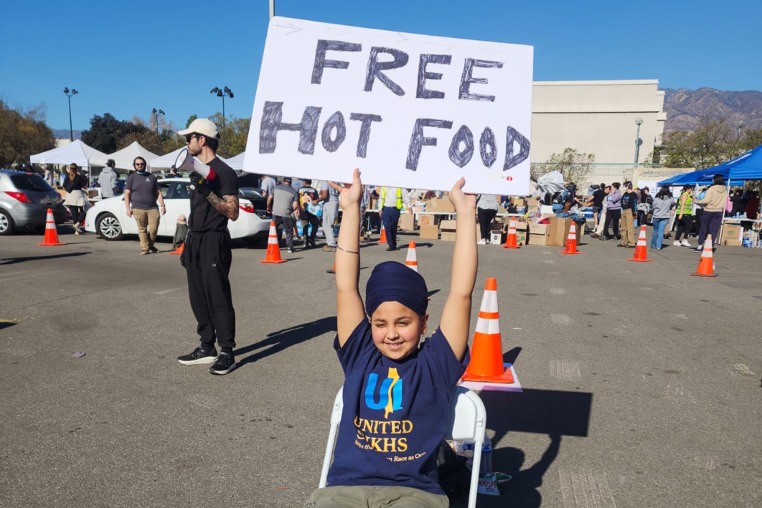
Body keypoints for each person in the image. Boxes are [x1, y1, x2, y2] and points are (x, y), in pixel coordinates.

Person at [304, 168, 477, 508]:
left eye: (403, 322)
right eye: (380, 323)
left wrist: (466, 215)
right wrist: (351, 208)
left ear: (424, 321)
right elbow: (345, 285)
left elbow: (461, 293)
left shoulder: (437, 363)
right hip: (346, 491)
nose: (392, 333)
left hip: (414, 494)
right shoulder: (360, 355)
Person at [175, 118, 240, 376]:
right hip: (196, 238)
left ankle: (227, 351)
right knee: (197, 295)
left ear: (201, 140)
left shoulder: (224, 172)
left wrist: (207, 191)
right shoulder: (197, 169)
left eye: (188, 138)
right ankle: (206, 346)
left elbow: (232, 212)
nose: (186, 143)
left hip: (215, 238)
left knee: (217, 295)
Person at [124, 157, 166, 255]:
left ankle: (150, 245)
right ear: (134, 166)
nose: (140, 166)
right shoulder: (131, 177)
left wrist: (162, 205)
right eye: (137, 164)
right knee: (142, 229)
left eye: (142, 164)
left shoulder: (151, 177)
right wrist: (127, 208)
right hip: (137, 207)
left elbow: (158, 192)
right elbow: (127, 193)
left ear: (145, 165)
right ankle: (145, 248)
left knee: (153, 229)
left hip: (152, 207)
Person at [695, 174, 728, 250]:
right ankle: (710, 246)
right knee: (714, 230)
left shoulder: (711, 189)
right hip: (719, 211)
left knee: (704, 228)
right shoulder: (725, 189)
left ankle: (700, 245)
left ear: (715, 180)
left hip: (708, 210)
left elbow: (706, 200)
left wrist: (697, 201)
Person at [268, 177, 300, 253]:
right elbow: (295, 205)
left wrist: (268, 207)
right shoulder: (294, 191)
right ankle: (290, 247)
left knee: (273, 230)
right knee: (288, 231)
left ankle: (272, 246)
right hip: (287, 214)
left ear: (283, 181)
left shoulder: (276, 188)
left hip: (275, 213)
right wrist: (291, 210)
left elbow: (269, 198)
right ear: (290, 182)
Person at [378, 186, 411, 251]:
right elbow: (381, 197)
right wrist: (380, 208)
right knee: (387, 226)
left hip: (395, 209)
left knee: (393, 226)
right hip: (386, 208)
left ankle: (393, 243)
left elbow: (405, 195)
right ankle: (391, 245)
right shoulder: (384, 186)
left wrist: (409, 205)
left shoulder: (399, 185)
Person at [62, 163, 89, 235]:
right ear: (76, 169)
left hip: (70, 195)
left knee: (74, 213)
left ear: (70, 168)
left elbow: (64, 186)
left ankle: (77, 230)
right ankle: (77, 225)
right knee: (86, 209)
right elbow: (85, 186)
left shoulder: (67, 176)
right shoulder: (79, 176)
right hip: (78, 194)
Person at [318, 180, 341, 252]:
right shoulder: (335, 181)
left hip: (329, 202)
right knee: (330, 224)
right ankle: (331, 242)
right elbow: (339, 191)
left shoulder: (325, 181)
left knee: (327, 225)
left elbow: (325, 195)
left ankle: (331, 244)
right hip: (335, 201)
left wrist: (317, 200)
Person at [650, 186, 674, 251]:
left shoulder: (657, 198)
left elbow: (653, 206)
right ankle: (658, 246)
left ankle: (653, 245)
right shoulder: (670, 199)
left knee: (655, 231)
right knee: (661, 232)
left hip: (656, 216)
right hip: (665, 216)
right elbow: (673, 204)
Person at [298, 179, 320, 248]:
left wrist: (297, 209)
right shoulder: (314, 190)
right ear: (311, 182)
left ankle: (305, 242)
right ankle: (311, 238)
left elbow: (296, 200)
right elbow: (317, 201)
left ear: (304, 182)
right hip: (312, 211)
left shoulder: (300, 190)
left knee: (305, 226)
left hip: (303, 210)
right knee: (315, 225)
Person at [618, 182, 638, 247]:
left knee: (630, 227)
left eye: (624, 186)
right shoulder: (625, 194)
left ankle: (631, 242)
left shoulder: (633, 194)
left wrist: (634, 212)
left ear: (628, 186)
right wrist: (623, 207)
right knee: (623, 227)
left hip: (630, 210)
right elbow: (621, 201)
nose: (623, 188)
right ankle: (624, 241)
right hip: (624, 210)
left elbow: (634, 203)